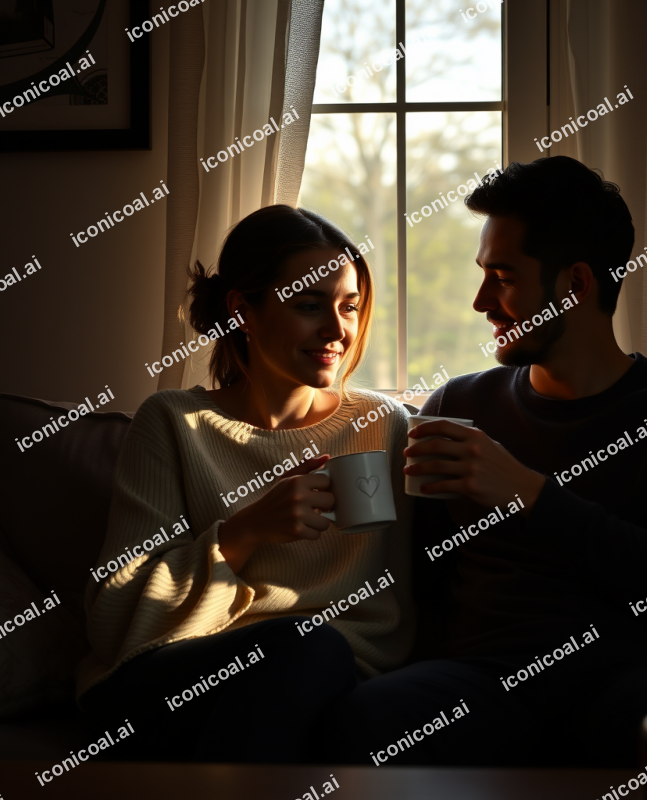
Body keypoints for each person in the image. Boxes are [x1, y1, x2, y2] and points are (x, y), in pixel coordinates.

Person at [318, 156, 647, 768]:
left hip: (629, 676)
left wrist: (529, 494)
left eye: (503, 277)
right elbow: (420, 577)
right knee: (369, 719)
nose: (479, 302)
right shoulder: (461, 403)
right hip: (481, 680)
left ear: (574, 285)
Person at [78, 205, 415, 763]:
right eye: (310, 306)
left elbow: (394, 605)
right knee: (305, 648)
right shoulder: (172, 421)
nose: (337, 331)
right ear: (243, 311)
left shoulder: (380, 425)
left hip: (331, 673)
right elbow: (114, 616)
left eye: (349, 307)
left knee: (312, 652)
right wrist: (243, 532)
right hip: (176, 674)